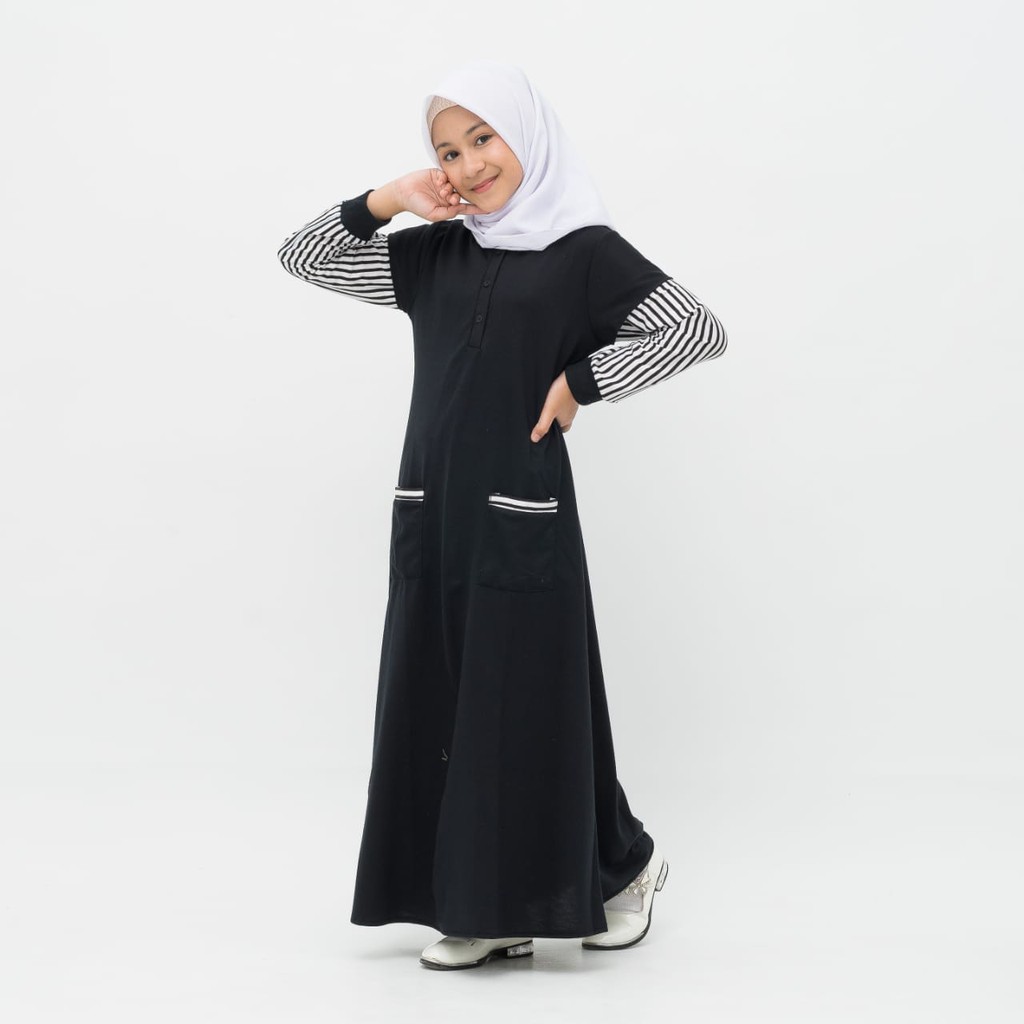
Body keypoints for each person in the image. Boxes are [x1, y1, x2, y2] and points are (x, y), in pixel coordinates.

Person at [277, 58, 728, 971]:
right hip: (432, 511)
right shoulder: (435, 253)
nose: (469, 163)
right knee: (443, 702)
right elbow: (305, 256)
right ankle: (507, 898)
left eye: (483, 138)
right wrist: (392, 197)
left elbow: (694, 328)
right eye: (448, 150)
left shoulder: (585, 252)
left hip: (524, 514)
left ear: (527, 134)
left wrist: (582, 381)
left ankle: (590, 878)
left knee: (526, 703)